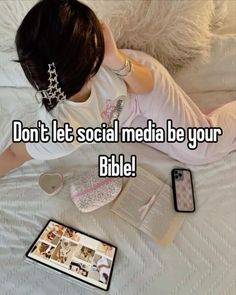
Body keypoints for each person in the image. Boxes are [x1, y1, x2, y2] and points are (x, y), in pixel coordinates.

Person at [0, 0, 235, 178]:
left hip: (135, 79)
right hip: (124, 118)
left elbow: (146, 84)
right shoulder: (57, 134)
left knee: (201, 148)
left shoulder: (106, 60)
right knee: (187, 151)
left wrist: (114, 58)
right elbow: (13, 154)